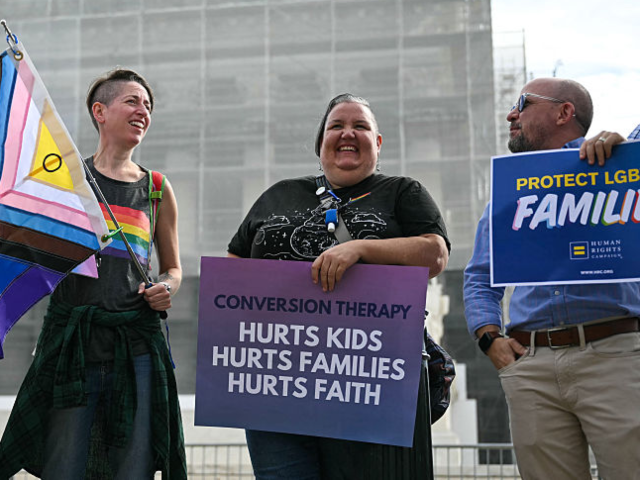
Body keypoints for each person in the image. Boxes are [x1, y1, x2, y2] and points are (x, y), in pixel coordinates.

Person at [227, 93, 451, 479]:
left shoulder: (403, 192)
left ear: (377, 143)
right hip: (277, 381)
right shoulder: (277, 195)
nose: (348, 133)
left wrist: (359, 249)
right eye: (337, 126)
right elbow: (233, 269)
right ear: (320, 144)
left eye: (360, 126)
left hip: (369, 381)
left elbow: (435, 254)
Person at [0, 69, 187, 479]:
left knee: (133, 466)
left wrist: (166, 287)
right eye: (133, 101)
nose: (143, 111)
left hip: (137, 346)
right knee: (64, 463)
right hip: (73, 347)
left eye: (148, 106)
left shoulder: (156, 187)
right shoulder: (67, 184)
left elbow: (173, 268)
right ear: (99, 111)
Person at [464, 77, 640, 480]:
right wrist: (489, 339)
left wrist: (627, 151)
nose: (511, 113)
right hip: (531, 365)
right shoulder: (507, 196)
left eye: (522, 103)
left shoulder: (616, 167)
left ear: (564, 112)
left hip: (615, 356)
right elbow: (479, 277)